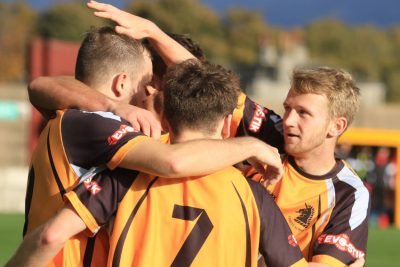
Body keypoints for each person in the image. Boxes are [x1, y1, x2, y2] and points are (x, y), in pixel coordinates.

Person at [20, 2, 283, 266]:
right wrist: (251, 146)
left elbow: (40, 86)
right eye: (147, 83)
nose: (149, 92)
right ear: (121, 82)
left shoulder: (74, 118)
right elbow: (172, 160)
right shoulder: (97, 125)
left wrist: (155, 33)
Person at [247, 67, 370, 266]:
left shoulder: (349, 194)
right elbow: (203, 81)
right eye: (287, 108)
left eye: (303, 113)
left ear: (336, 126)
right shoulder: (267, 133)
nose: (288, 120)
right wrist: (242, 147)